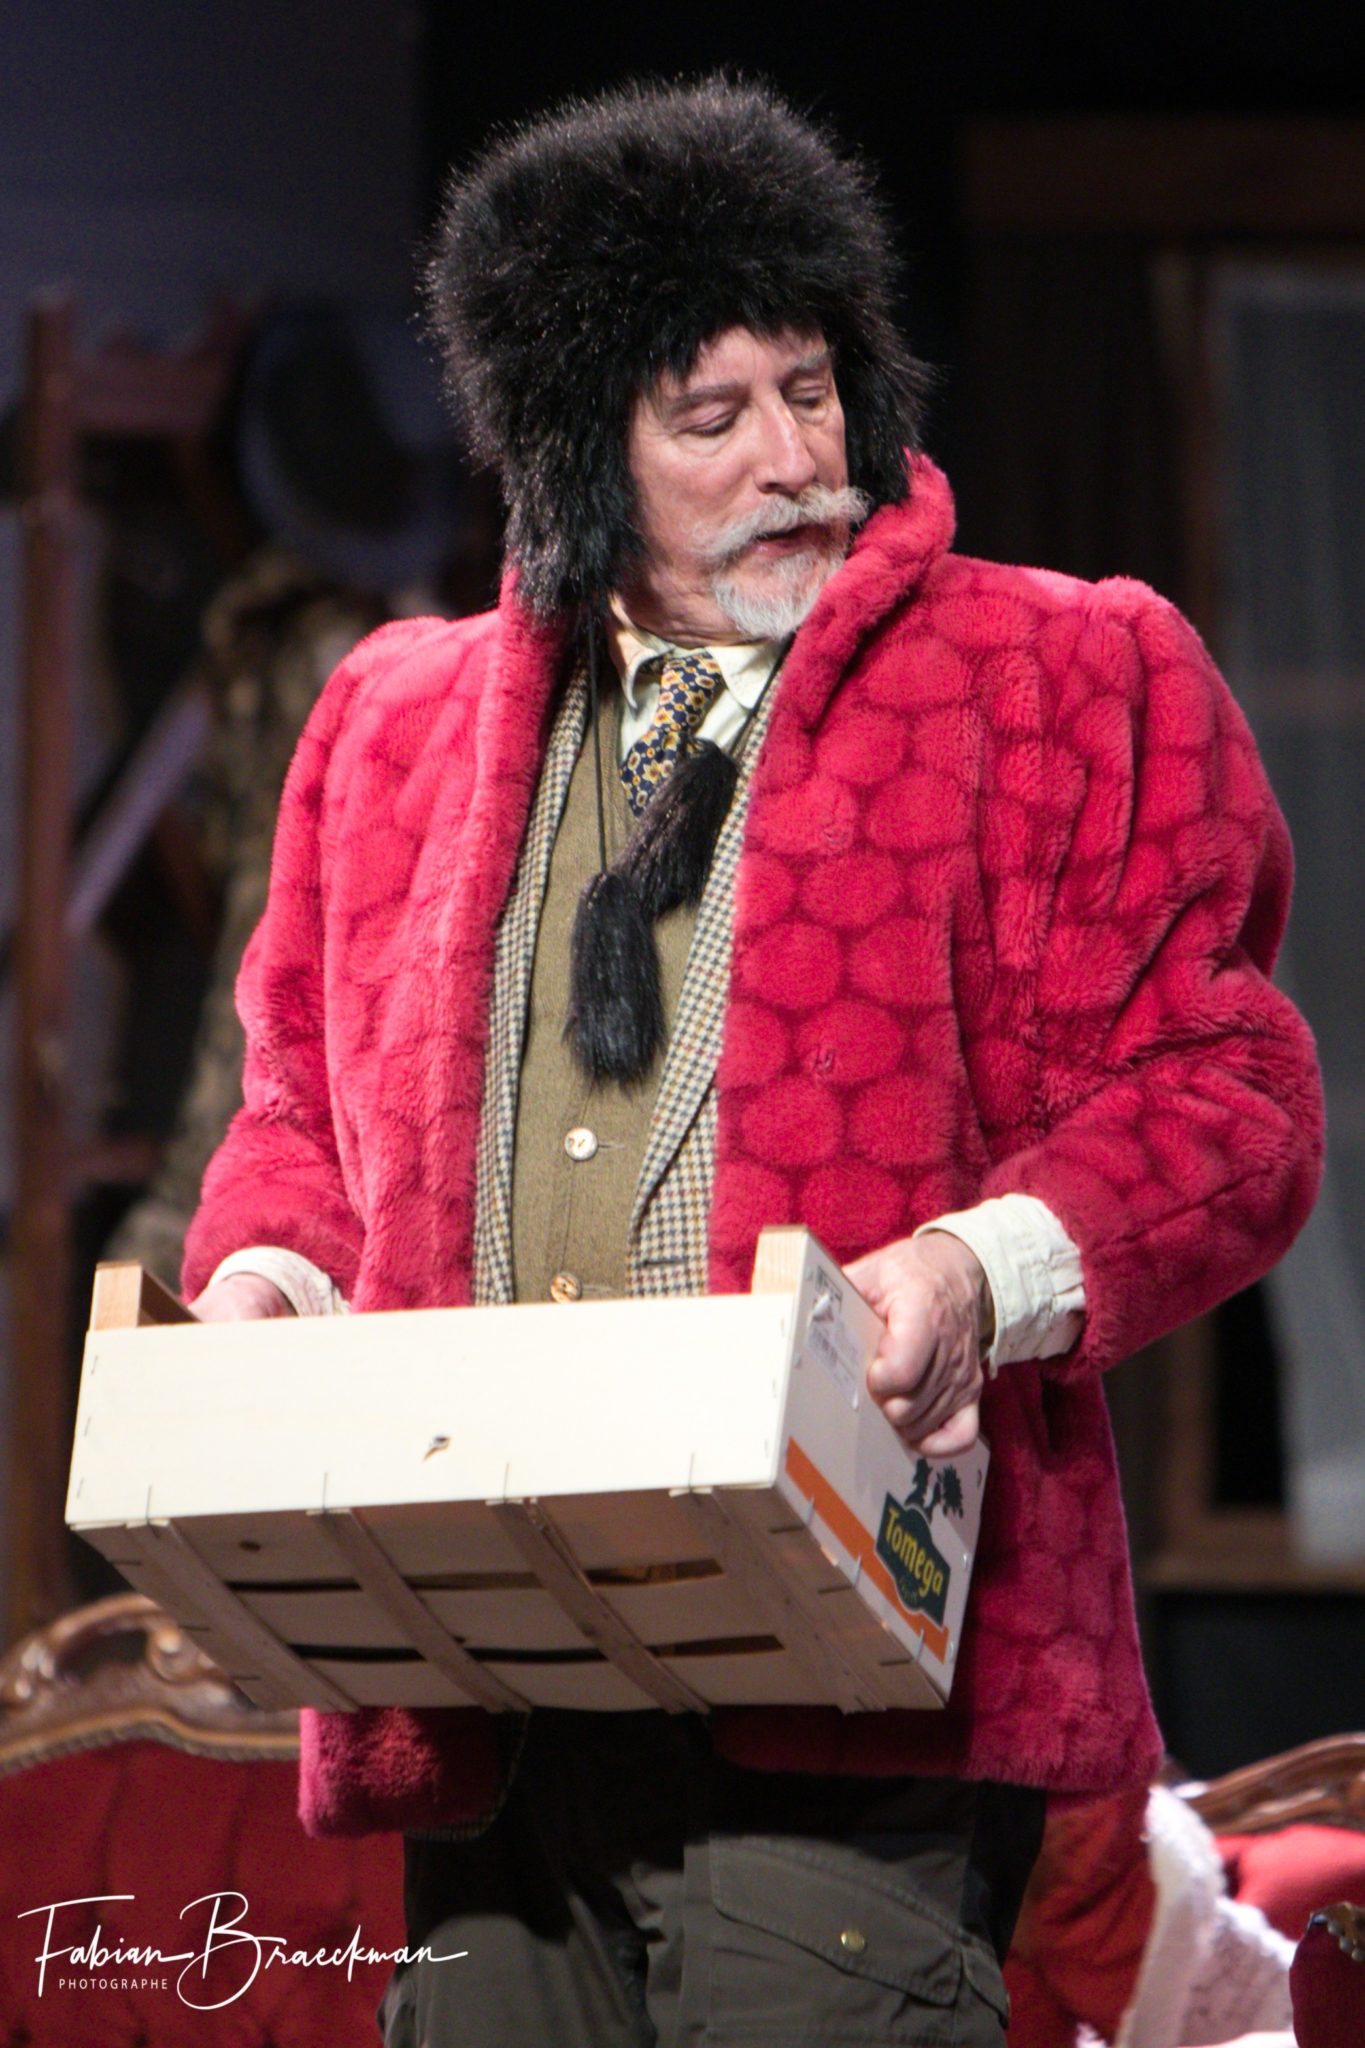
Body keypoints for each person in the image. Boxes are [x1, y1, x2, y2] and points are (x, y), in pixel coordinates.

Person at [182, 77, 1323, 2048]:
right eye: (710, 416)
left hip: (852, 1690)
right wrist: (273, 1275)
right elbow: (296, 1113)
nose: (794, 455)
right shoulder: (391, 723)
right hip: (484, 1679)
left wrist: (975, 1270)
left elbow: (1223, 1091)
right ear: (578, 453)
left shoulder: (1052, 678)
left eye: (810, 389)